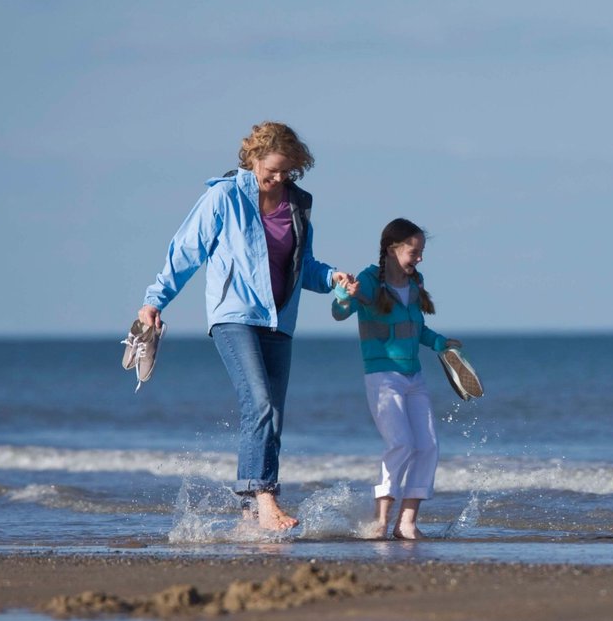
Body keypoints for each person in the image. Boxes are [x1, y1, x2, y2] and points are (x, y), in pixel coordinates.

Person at [137, 122, 359, 531]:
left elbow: (303, 266)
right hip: (234, 316)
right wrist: (154, 301)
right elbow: (185, 251)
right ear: (253, 158)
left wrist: (332, 278)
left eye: (287, 172)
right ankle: (266, 497)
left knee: (271, 416)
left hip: (279, 320)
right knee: (259, 403)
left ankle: (250, 513)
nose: (278, 179)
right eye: (272, 170)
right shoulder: (223, 197)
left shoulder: (298, 205)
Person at [332, 218, 461, 540]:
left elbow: (416, 328)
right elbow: (339, 312)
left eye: (421, 252)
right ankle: (380, 522)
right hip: (383, 376)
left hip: (414, 376)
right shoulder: (368, 281)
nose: (419, 258)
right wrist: (344, 295)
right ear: (392, 249)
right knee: (401, 443)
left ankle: (407, 523)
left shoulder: (415, 282)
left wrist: (440, 343)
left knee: (428, 445)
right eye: (414, 252)